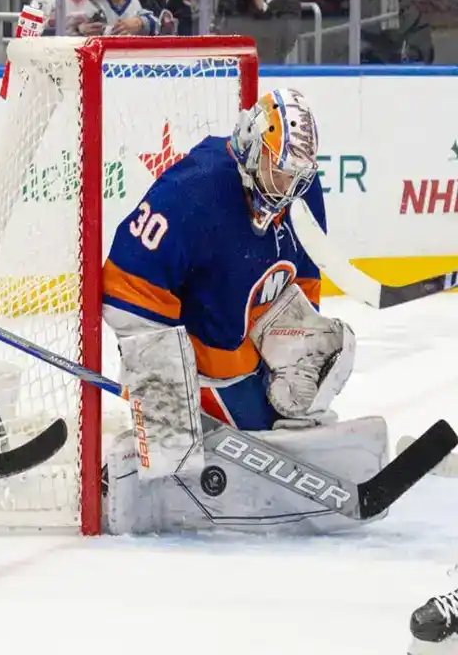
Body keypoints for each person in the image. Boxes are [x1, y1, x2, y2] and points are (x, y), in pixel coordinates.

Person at [101, 88, 385, 536]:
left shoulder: (300, 194)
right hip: (200, 366)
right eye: (280, 171)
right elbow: (125, 284)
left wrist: (285, 366)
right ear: (254, 146)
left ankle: (269, 417)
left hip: (245, 351)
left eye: (297, 176)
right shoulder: (194, 189)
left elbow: (305, 284)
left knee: (334, 344)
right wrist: (163, 395)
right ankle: (173, 454)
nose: (288, 187)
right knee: (172, 434)